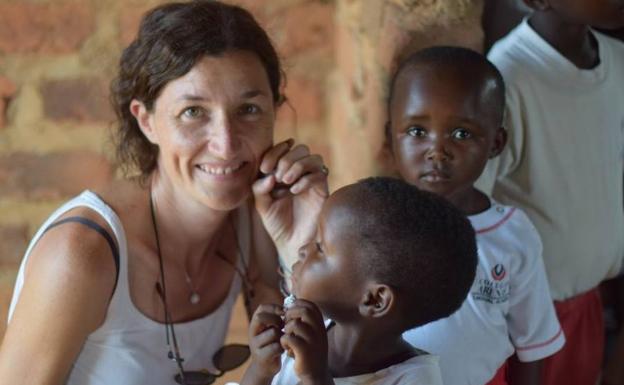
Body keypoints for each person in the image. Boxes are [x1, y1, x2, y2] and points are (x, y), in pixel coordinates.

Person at [0, 1, 328, 384]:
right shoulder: (81, 254)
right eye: (193, 111)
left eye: (249, 109)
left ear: (275, 110)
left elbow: (295, 370)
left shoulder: (254, 216)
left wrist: (301, 245)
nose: (226, 144)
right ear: (147, 120)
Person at [385, 46, 564, 385]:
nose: (437, 150)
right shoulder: (374, 222)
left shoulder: (513, 235)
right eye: (417, 131)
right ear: (389, 137)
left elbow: (532, 346)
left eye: (462, 134)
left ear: (496, 143)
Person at [477, 1, 624, 384]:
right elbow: (474, 209)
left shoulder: (618, 61)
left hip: (588, 304)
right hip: (528, 323)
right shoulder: (508, 77)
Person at [240, 176, 479, 385]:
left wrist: (316, 377)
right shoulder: (308, 330)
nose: (303, 250)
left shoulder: (415, 379)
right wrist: (260, 370)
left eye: (320, 247)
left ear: (374, 300)